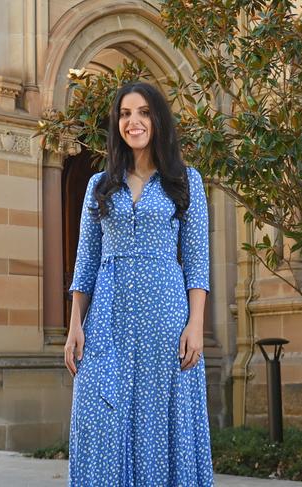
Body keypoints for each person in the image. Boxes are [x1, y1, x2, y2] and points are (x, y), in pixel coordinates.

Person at [64, 81, 214, 486]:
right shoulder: (99, 185)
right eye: (125, 114)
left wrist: (195, 325)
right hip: (108, 317)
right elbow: (86, 261)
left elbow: (197, 261)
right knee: (98, 414)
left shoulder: (185, 180)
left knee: (158, 418)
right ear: (117, 124)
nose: (134, 121)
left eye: (143, 112)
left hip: (165, 317)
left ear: (158, 119)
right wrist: (75, 323)